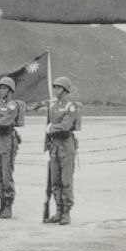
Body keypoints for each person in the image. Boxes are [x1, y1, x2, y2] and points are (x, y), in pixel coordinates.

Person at [44, 76, 78, 226]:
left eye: (58, 87)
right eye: (55, 87)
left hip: (66, 146)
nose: (56, 90)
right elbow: (48, 127)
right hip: (55, 147)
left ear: (65, 90)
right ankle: (58, 211)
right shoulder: (53, 107)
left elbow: (66, 125)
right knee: (55, 181)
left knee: (66, 181)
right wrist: (46, 146)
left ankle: (66, 213)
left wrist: (52, 129)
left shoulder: (71, 106)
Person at [0, 77, 19, 219]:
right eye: (0, 88)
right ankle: (0, 205)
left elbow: (7, 120)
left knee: (7, 175)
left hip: (8, 140)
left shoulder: (13, 105)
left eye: (4, 88)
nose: (1, 91)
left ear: (10, 91)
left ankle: (8, 206)